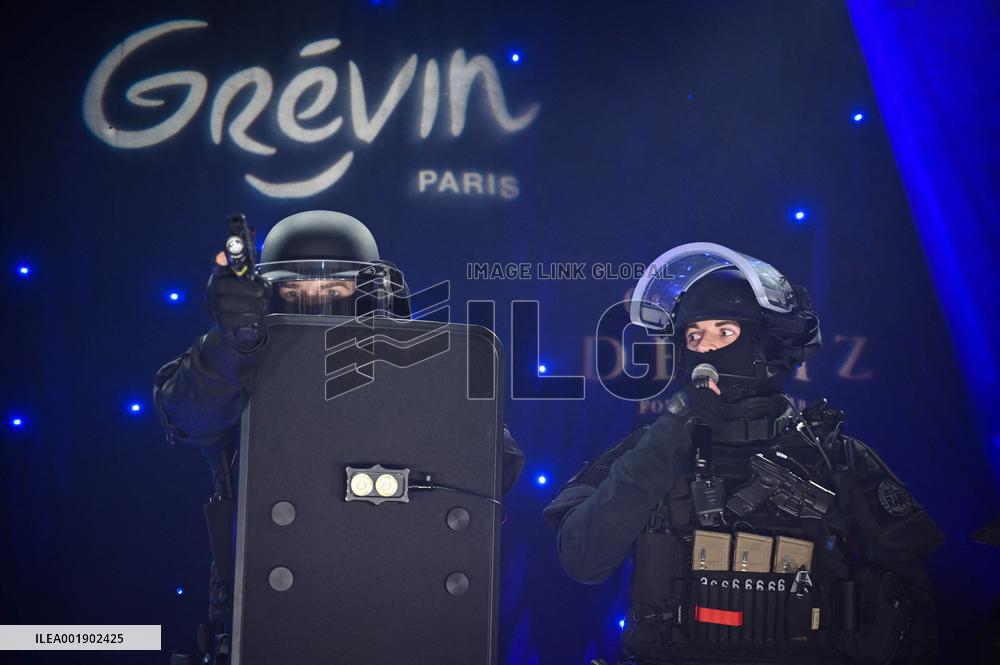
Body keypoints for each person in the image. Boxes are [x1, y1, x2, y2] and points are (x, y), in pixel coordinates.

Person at [543, 243, 943, 665]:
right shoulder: (647, 449)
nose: (707, 349)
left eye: (724, 332)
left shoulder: (835, 458)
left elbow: (912, 603)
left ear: (763, 346)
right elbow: (583, 560)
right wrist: (670, 435)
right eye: (694, 336)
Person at [153, 210, 525, 652]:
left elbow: (492, 466)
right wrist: (229, 344)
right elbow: (190, 414)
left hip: (405, 619)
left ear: (369, 293)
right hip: (266, 622)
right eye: (295, 290)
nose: (316, 302)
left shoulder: (420, 371)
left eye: (333, 290)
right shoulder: (234, 370)